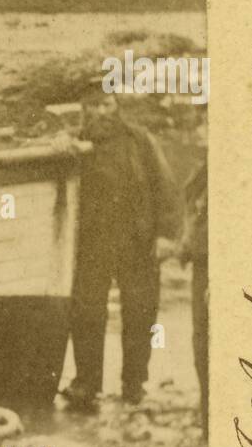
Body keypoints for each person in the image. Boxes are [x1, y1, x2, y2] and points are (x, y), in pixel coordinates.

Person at [61, 92, 180, 409]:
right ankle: (86, 384)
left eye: (107, 104)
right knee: (86, 313)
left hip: (137, 241)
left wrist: (167, 235)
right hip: (92, 242)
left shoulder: (140, 141)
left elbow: (165, 187)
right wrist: (65, 147)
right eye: (93, 105)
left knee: (140, 312)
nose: (101, 111)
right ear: (84, 109)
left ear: (117, 107)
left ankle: (134, 386)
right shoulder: (74, 144)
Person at [177, 133, 208, 436]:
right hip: (202, 265)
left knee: (209, 343)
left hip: (213, 269)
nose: (199, 128)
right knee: (201, 343)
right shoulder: (206, 169)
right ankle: (208, 422)